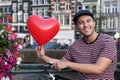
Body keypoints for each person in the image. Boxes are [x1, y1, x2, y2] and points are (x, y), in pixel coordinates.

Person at [36, 10, 117, 80]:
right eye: (81, 23)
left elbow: (98, 69)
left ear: (94, 23)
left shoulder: (107, 41)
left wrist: (69, 64)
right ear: (77, 27)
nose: (85, 25)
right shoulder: (76, 45)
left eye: (88, 21)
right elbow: (61, 63)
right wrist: (43, 56)